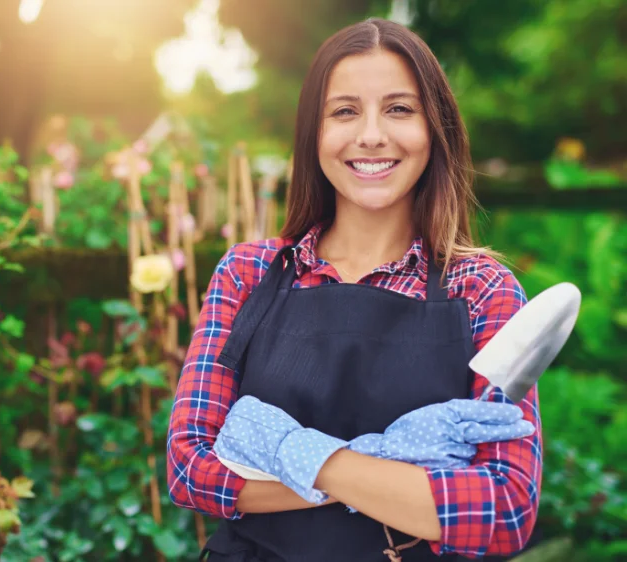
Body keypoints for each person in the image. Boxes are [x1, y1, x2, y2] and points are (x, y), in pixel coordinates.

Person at [166, 17, 542, 562]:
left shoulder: (483, 290)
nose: (371, 134)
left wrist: (288, 454)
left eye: (399, 109)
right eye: (344, 111)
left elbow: (503, 509)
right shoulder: (247, 274)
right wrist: (397, 472)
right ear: (313, 134)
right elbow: (190, 469)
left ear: (434, 130)